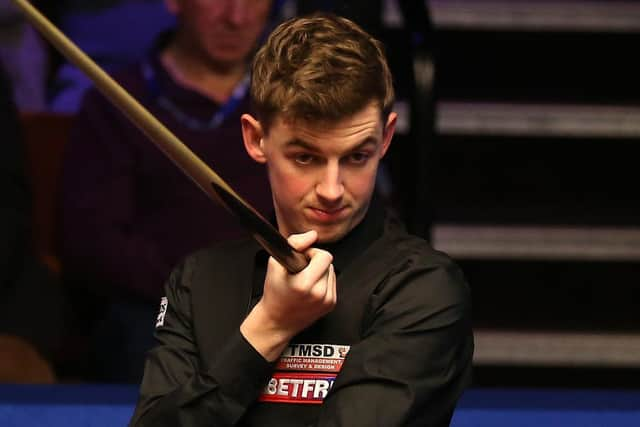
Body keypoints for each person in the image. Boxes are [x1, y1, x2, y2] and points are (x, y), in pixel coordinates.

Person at [130, 14, 473, 426]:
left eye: (356, 157)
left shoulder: (422, 290)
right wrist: (266, 329)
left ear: (385, 138)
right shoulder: (199, 281)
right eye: (306, 157)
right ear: (256, 139)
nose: (332, 188)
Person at [61, 0, 276, 382]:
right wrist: (202, 294)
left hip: (279, 305)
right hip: (155, 314)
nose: (236, 17)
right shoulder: (117, 102)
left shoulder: (290, 104)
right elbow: (92, 248)